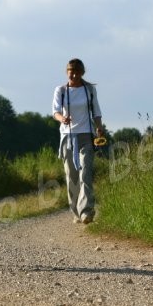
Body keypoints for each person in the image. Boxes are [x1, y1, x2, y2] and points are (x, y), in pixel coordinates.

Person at [52, 58, 104, 224]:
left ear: (82, 73)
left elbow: (96, 111)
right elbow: (55, 111)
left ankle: (86, 211)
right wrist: (62, 119)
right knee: (72, 176)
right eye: (70, 72)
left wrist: (99, 128)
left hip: (86, 135)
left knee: (86, 173)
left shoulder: (89, 90)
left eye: (76, 72)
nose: (73, 75)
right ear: (67, 72)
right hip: (68, 136)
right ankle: (76, 211)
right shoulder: (60, 90)